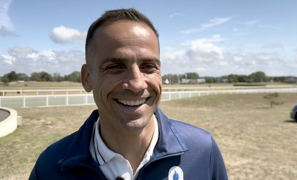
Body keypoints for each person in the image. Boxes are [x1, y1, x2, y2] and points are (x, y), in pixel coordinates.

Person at [29, 8, 228, 180]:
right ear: (87, 78)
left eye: (148, 66)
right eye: (115, 66)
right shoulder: (50, 166)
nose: (136, 84)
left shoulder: (202, 150)